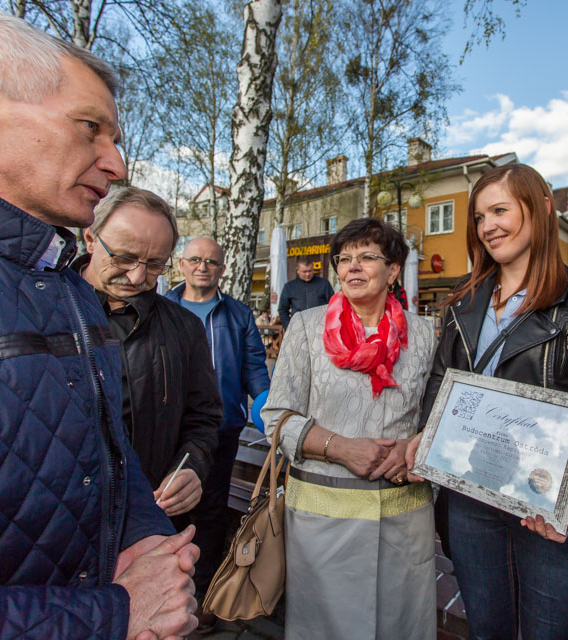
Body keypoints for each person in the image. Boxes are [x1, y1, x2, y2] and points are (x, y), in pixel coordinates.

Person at [0, 6, 199, 638]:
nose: (118, 163)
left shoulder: (63, 279)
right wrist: (107, 616)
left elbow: (102, 452)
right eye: (89, 127)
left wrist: (149, 547)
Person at [405, 163, 568, 640]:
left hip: (543, 505)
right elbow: (443, 379)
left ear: (540, 209)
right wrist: (426, 434)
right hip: (471, 498)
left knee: (550, 632)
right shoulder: (465, 301)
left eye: (499, 210)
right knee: (487, 629)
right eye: (479, 217)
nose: (488, 227)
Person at [262, 218, 438, 640]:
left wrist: (417, 444)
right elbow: (276, 418)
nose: (352, 268)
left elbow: (438, 416)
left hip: (404, 517)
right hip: (323, 521)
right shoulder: (305, 327)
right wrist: (340, 448)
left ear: (393, 270)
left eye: (367, 257)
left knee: (402, 626)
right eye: (344, 259)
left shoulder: (425, 333)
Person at [74, 187, 221, 524]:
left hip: (147, 519)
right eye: (123, 257)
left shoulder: (185, 327)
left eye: (155, 264)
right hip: (58, 527)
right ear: (90, 238)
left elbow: (203, 418)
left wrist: (191, 467)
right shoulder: (43, 310)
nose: (137, 276)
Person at [166, 237, 271, 630]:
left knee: (209, 515)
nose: (202, 267)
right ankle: (166, 594)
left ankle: (203, 595)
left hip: (222, 431)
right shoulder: (164, 310)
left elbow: (256, 372)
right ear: (181, 264)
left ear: (222, 269)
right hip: (168, 433)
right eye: (195, 259)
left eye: (211, 262)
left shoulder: (239, 315)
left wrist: (272, 419)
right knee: (166, 511)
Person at [277, 255, 334, 328]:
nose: (307, 274)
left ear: (313, 269)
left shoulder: (324, 284)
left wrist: (328, 324)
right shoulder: (289, 287)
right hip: (298, 328)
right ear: (297, 270)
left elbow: (332, 306)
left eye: (310, 271)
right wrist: (289, 327)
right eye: (304, 271)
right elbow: (282, 310)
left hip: (320, 327)